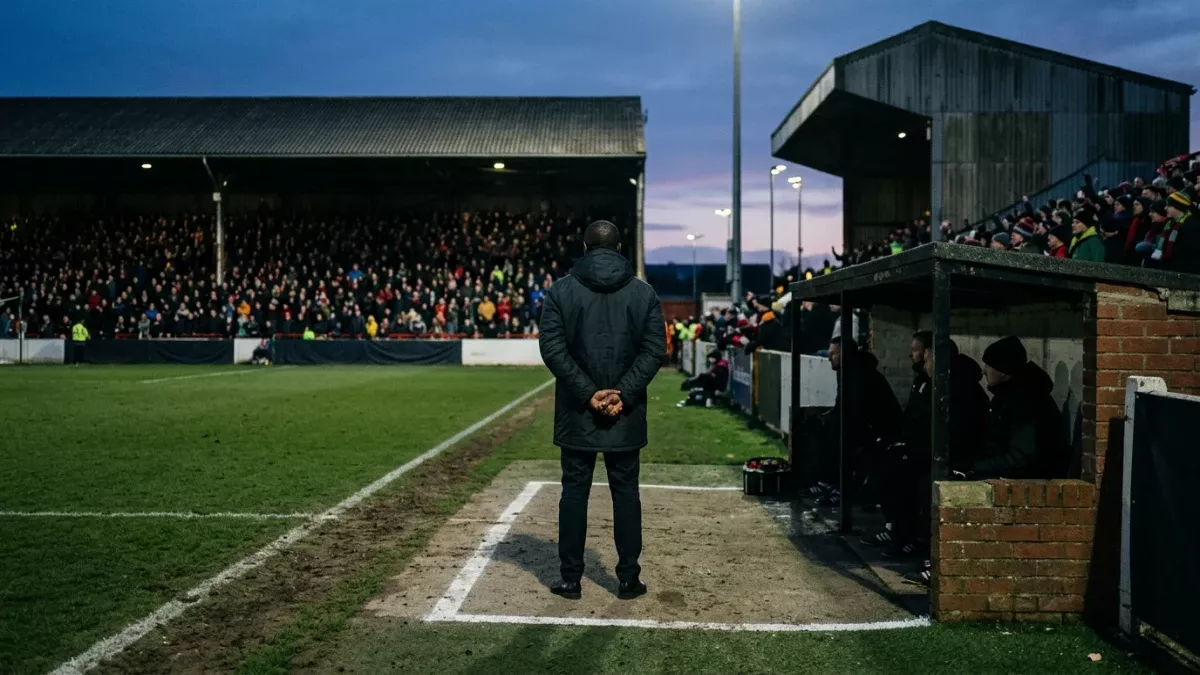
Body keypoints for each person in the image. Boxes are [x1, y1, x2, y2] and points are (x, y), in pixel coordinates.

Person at [538, 220, 666, 601]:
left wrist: (588, 394)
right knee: (626, 493)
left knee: (574, 493)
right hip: (625, 413)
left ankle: (571, 579)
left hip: (578, 412)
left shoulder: (560, 291)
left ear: (584, 247)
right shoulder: (645, 294)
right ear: (619, 247)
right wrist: (622, 394)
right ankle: (628, 579)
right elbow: (654, 349)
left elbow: (553, 349)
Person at [971, 336, 1067, 479]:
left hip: (1028, 484)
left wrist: (975, 468)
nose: (984, 371)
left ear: (1002, 370)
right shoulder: (1008, 395)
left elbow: (1020, 458)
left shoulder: (1024, 400)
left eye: (988, 366)